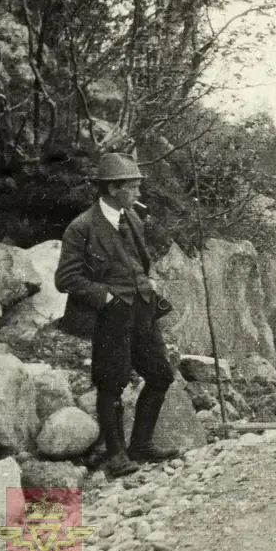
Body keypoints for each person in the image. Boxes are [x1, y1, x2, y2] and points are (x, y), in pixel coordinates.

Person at [55, 153, 178, 477]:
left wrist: (147, 282)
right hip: (110, 315)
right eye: (133, 187)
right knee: (112, 383)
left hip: (142, 309)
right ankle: (116, 456)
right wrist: (106, 296)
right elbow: (65, 279)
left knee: (160, 375)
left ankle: (141, 445)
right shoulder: (81, 227)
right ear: (113, 189)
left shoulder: (132, 218)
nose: (138, 194)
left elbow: (140, 261)